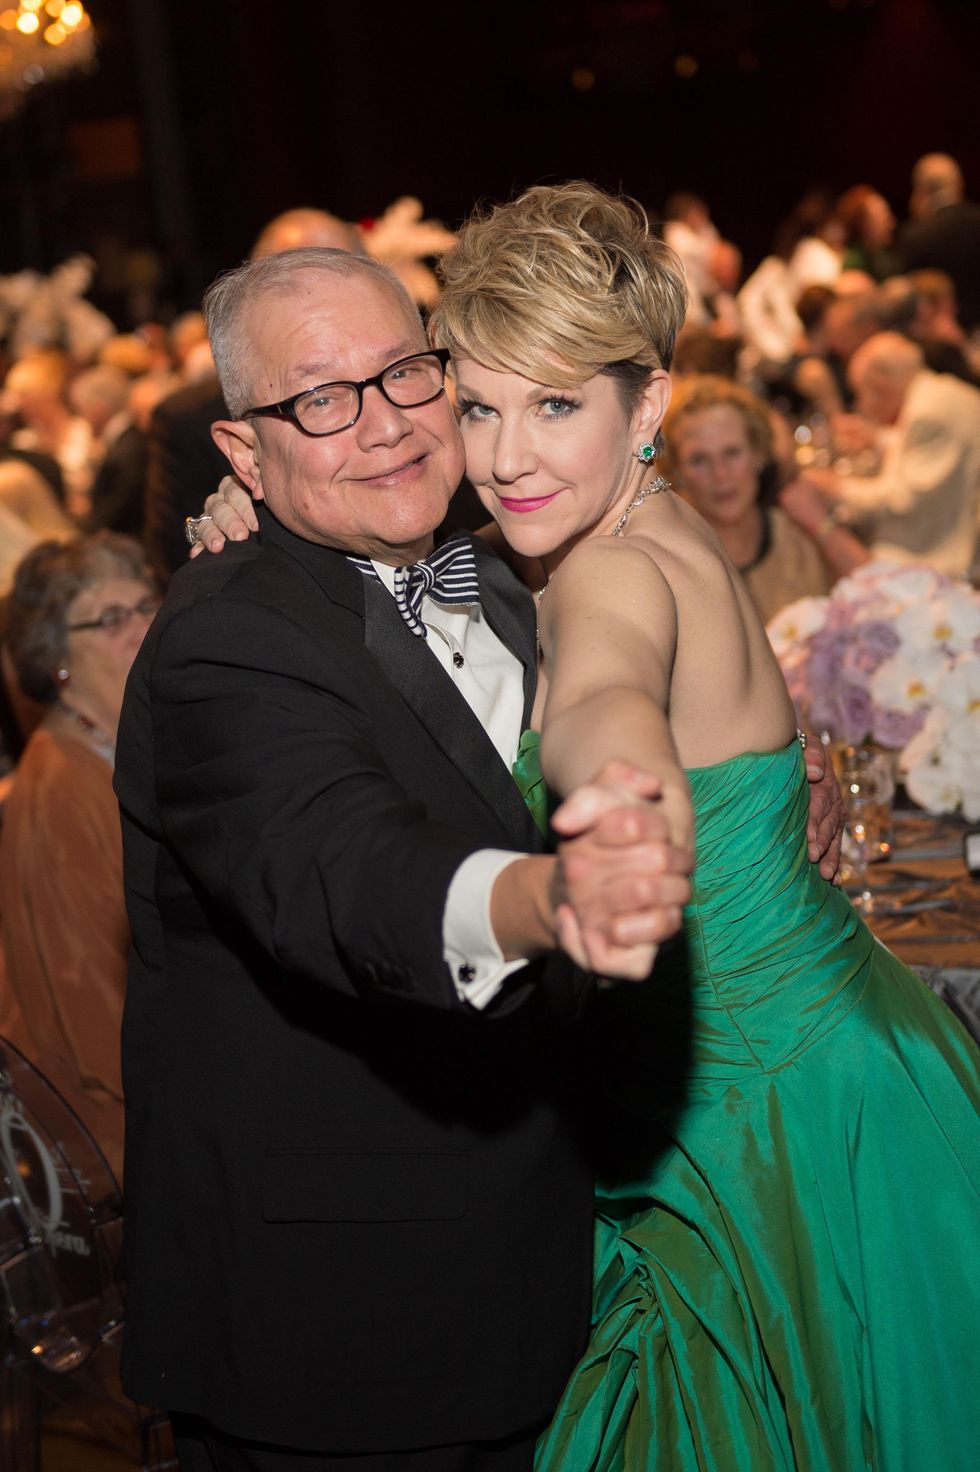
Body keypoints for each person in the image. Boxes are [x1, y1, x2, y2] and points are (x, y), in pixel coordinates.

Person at [206, 182, 978, 1471]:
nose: (507, 456)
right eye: (479, 405)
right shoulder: (604, 529)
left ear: (652, 405)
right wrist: (244, 509)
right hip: (837, 1065)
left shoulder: (607, 572)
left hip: (768, 1128)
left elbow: (600, 696)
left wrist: (609, 792)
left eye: (557, 404)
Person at [116, 244, 699, 1472]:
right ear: (242, 453)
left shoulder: (510, 565)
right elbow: (342, 866)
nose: (381, 424)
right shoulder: (223, 638)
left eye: (405, 374)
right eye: (319, 400)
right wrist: (548, 893)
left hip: (555, 1249)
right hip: (353, 1327)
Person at [0, 533, 159, 1180]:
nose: (143, 627)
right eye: (112, 618)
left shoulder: (116, 750)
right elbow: (96, 1020)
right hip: (118, 1144)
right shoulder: (60, 791)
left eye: (147, 604)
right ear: (58, 660)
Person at [661, 375, 866, 623]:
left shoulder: (797, 534)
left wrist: (820, 523)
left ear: (757, 454)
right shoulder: (670, 559)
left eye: (732, 453)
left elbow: (887, 595)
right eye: (699, 460)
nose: (720, 474)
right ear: (677, 471)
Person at [801, 330, 980, 577]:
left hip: (938, 564)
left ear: (882, 385)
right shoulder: (937, 392)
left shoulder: (928, 411)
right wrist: (878, 439)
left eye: (861, 393)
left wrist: (838, 488)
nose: (861, 406)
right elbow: (933, 451)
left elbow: (904, 498)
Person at [897, 152, 980, 331]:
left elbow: (906, 298)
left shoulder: (916, 234)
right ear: (959, 184)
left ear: (921, 190)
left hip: (934, 338)